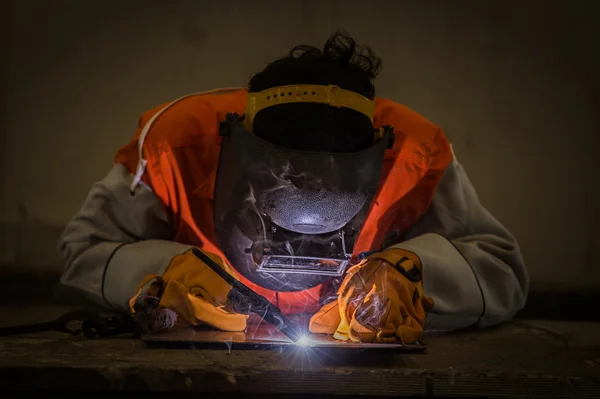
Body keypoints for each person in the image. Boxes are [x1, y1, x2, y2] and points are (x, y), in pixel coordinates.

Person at [58, 32, 529, 343]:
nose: (301, 245)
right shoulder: (174, 146)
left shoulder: (414, 154)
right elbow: (83, 251)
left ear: (373, 160)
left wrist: (410, 274)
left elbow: (501, 268)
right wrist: (170, 271)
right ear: (240, 150)